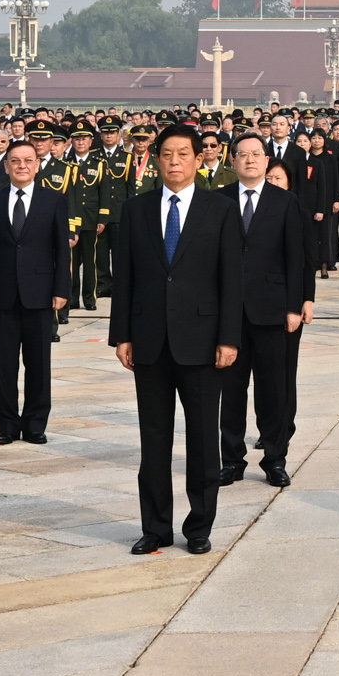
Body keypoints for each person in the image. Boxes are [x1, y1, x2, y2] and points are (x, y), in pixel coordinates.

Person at [110, 125, 241, 556]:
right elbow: (124, 276)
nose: (175, 161)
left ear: (198, 158)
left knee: (203, 440)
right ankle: (156, 527)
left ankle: (199, 526)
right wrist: (122, 334)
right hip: (148, 341)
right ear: (156, 159)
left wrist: (228, 338)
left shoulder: (219, 210)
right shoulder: (136, 209)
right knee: (154, 440)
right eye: (167, 154)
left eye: (183, 153)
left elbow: (230, 279)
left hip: (202, 342)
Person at [220, 132, 317, 487]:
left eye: (256, 154)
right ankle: (231, 460)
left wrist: (296, 304)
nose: (249, 160)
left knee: (272, 388)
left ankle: (275, 458)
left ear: (266, 160)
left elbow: (296, 256)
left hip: (273, 309)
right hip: (228, 312)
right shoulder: (218, 201)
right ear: (232, 161)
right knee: (230, 390)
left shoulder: (284, 201)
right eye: (242, 154)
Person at [0, 137, 73, 443]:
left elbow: (62, 249)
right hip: (2, 293)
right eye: (15, 161)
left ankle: (35, 423)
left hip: (40, 292)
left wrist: (61, 289)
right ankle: (6, 424)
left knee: (38, 362)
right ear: (6, 166)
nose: (22, 166)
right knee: (4, 363)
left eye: (28, 161)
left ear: (37, 165)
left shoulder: (53, 200)